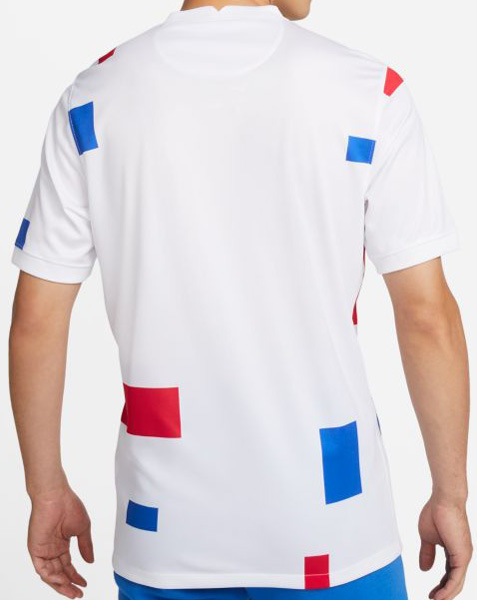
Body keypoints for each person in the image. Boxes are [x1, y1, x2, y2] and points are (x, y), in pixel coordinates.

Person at [9, 1, 472, 599]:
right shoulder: (368, 91)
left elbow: (36, 320)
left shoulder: (94, 99)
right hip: (333, 527)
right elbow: (426, 316)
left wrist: (46, 490)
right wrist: (450, 494)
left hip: (165, 537)